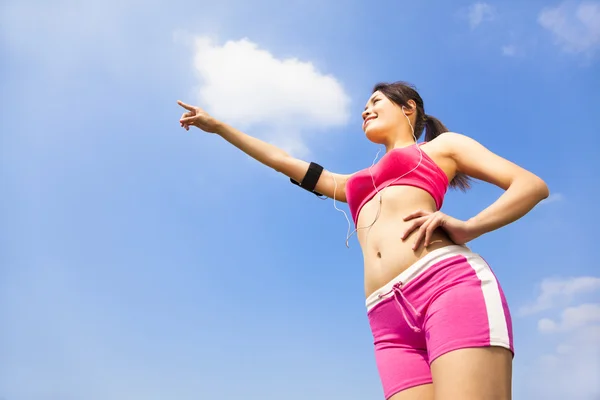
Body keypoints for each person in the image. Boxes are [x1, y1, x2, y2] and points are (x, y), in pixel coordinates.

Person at [177, 81, 549, 400]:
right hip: (386, 318)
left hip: (445, 286)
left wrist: (471, 226)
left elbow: (530, 186)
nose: (364, 111)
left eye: (375, 102)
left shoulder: (440, 148)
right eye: (363, 107)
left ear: (408, 108)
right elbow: (282, 159)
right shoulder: (351, 182)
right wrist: (220, 127)